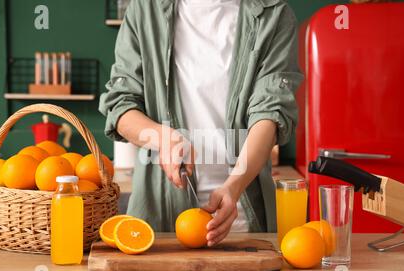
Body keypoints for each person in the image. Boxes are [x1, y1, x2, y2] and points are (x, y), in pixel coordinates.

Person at [99, 0, 303, 246]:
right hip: (159, 227)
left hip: (245, 229)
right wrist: (163, 138)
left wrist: (234, 186)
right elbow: (121, 105)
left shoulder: (274, 15)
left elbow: (270, 113)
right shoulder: (144, 10)